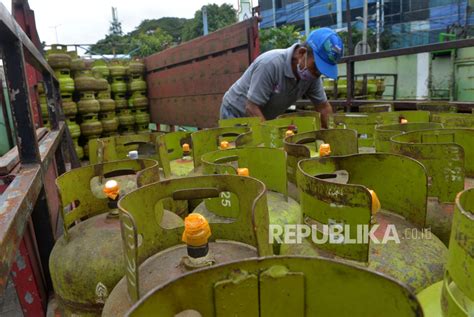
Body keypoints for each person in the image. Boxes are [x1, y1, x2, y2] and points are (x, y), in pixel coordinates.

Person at [219, 27, 343, 128]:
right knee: (241, 154)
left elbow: (323, 107)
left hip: (263, 116)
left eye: (321, 71)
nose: (317, 74)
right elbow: (251, 107)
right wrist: (272, 137)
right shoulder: (270, 64)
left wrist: (334, 136)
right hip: (236, 113)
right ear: (302, 53)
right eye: (316, 67)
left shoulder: (312, 76)